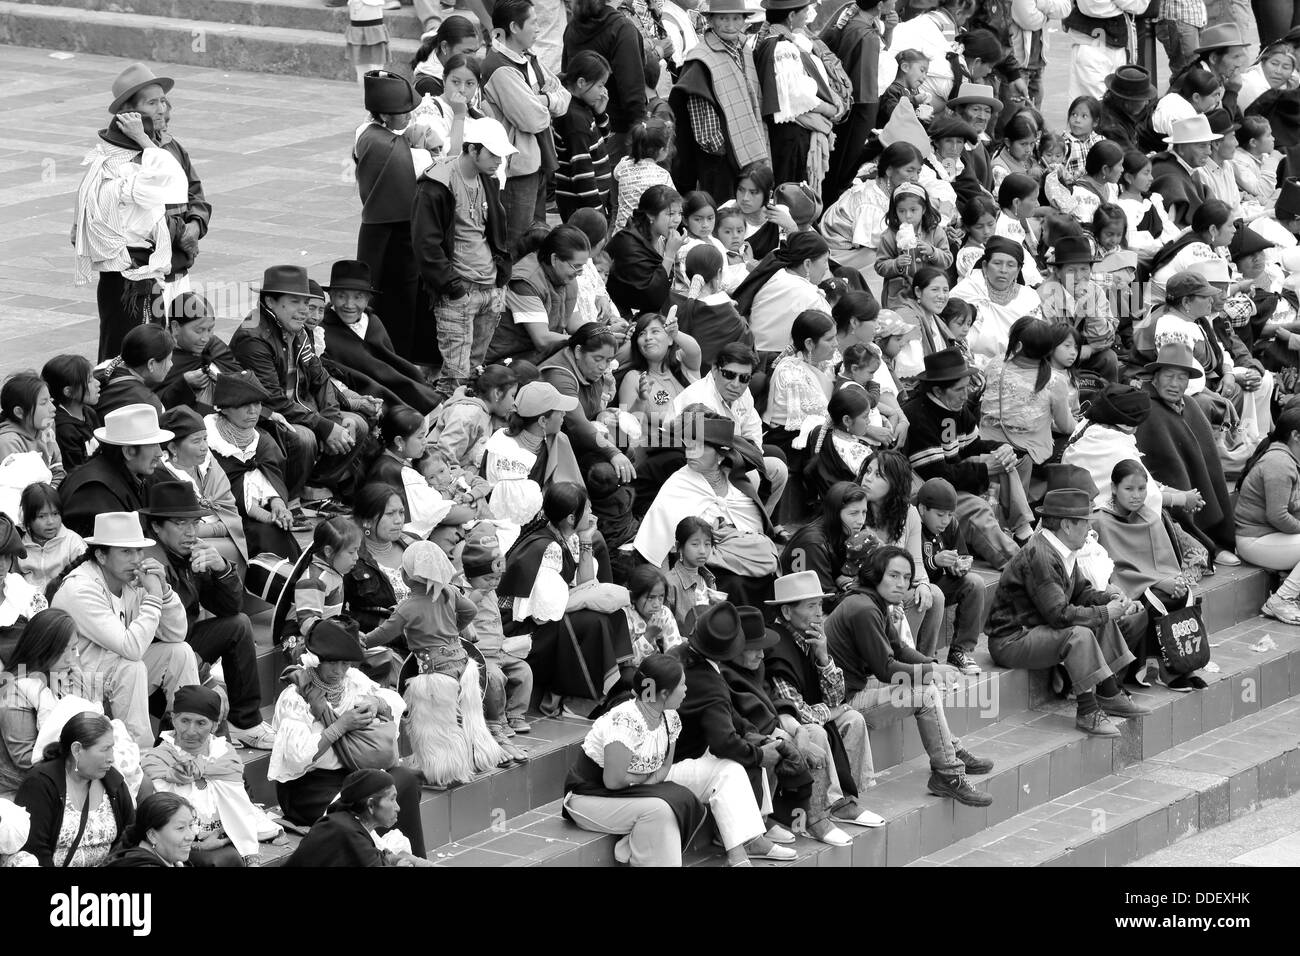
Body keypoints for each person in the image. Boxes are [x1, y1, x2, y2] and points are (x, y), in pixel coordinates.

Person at [824, 546, 994, 807]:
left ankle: (950, 750)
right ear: (875, 574)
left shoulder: (872, 601)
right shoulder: (864, 608)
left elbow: (900, 648)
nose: (901, 584)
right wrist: (931, 672)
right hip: (842, 704)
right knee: (924, 693)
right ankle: (948, 773)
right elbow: (886, 669)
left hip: (855, 684)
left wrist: (932, 665)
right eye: (893, 575)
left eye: (906, 577)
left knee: (925, 683)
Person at [987, 487, 1153, 736]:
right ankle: (1087, 711)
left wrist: (1111, 597)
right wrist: (1106, 611)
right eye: (1085, 523)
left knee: (1100, 617)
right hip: (1012, 639)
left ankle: (1110, 693)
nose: (1089, 529)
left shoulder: (1064, 550)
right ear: (1066, 525)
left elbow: (1082, 592)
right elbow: (1059, 615)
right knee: (1082, 632)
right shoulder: (1040, 555)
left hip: (1037, 630)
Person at [268, 618, 427, 856]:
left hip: (351, 773)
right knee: (369, 801)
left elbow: (394, 702)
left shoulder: (353, 680)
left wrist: (376, 703)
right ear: (317, 659)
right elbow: (297, 758)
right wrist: (341, 726)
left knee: (406, 778)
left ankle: (411, 857)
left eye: (345, 663)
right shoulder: (295, 698)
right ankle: (376, 858)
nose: (339, 671)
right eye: (332, 663)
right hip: (310, 787)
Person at [141, 482, 273, 751]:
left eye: (194, 523)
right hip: (153, 662)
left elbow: (231, 608)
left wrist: (222, 568)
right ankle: (172, 752)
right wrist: (207, 680)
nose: (191, 532)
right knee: (206, 693)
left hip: (187, 647)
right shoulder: (149, 561)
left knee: (239, 625)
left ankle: (246, 724)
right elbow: (165, 630)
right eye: (181, 524)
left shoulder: (189, 553)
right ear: (156, 526)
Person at [48, 512, 197, 750]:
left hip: (113, 676)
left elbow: (176, 634)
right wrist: (154, 597)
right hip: (74, 687)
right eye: (126, 552)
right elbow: (132, 648)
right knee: (131, 666)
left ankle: (184, 743)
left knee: (180, 652)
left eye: (139, 550)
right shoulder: (80, 588)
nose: (136, 559)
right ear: (101, 555)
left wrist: (165, 590)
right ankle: (141, 755)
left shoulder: (131, 579)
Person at [562, 653, 727, 867]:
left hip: (624, 792)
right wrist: (643, 783)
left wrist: (643, 785)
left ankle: (632, 845)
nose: (687, 690)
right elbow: (613, 781)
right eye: (683, 685)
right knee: (660, 810)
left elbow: (664, 767)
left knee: (681, 798)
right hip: (587, 797)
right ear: (665, 693)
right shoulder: (626, 722)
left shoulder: (670, 718)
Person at [75, 63, 192, 362]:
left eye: (163, 101)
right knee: (131, 355)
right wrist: (183, 231)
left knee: (162, 352)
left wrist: (195, 224)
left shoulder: (165, 146)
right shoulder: (116, 160)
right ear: (129, 112)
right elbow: (171, 185)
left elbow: (191, 190)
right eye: (152, 102)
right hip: (131, 277)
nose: (162, 109)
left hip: (161, 269)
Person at [669, 602, 802, 860]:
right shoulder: (706, 680)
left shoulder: (680, 652)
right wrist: (760, 754)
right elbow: (724, 743)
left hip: (680, 749)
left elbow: (731, 716)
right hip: (670, 764)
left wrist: (757, 738)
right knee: (740, 762)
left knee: (755, 744)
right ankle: (747, 838)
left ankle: (757, 829)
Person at [229, 265, 368, 503]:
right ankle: (288, 498)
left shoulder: (297, 330)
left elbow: (320, 377)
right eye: (295, 302)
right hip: (266, 416)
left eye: (306, 303)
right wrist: (323, 426)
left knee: (357, 425)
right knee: (304, 438)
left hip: (298, 408)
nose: (304, 311)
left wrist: (333, 419)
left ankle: (313, 486)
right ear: (270, 302)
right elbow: (272, 399)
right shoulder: (253, 336)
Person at [762, 570, 885, 830]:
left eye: (820, 604)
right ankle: (818, 810)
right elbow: (794, 711)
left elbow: (836, 697)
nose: (819, 612)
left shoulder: (812, 639)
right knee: (816, 729)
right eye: (810, 606)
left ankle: (846, 801)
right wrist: (829, 713)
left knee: (853, 717)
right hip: (784, 726)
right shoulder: (775, 645)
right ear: (786, 612)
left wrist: (823, 656)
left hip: (811, 714)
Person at [498, 482, 633, 711]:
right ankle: (576, 699)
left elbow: (585, 583)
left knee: (613, 613)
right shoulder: (546, 546)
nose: (592, 515)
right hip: (522, 628)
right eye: (588, 509)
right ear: (571, 518)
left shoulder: (566, 537)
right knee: (594, 620)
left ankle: (619, 682)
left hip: (545, 620)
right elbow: (547, 613)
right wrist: (586, 600)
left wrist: (587, 538)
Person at [412, 118, 515, 403]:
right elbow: (425, 244)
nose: (499, 161)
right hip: (459, 291)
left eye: (501, 155)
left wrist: (500, 279)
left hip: (490, 288)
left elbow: (496, 231)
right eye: (493, 154)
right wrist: (452, 287)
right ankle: (441, 430)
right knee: (454, 378)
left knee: (474, 373)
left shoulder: (490, 179)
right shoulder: (437, 183)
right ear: (472, 149)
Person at [902, 348, 1025, 569]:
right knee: (977, 507)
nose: (965, 394)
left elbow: (973, 446)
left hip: (951, 478)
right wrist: (984, 469)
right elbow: (937, 476)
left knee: (1004, 463)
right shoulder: (917, 415)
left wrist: (1002, 448)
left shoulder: (956, 407)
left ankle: (1024, 530)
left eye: (967, 387)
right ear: (938, 391)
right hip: (926, 493)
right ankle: (1016, 563)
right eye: (959, 389)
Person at [1097, 460, 1212, 686]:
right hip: (1126, 588)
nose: (1136, 495)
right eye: (1128, 489)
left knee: (1180, 595)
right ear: (1113, 488)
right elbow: (1114, 570)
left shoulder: (1149, 516)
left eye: (1142, 489)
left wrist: (1172, 580)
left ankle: (1181, 666)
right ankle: (1153, 670)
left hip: (1155, 581)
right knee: (1153, 600)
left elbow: (1163, 560)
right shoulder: (1100, 521)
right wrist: (1158, 583)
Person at [138, 685, 275, 867]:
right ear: (173, 719)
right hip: (174, 849)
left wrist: (225, 838)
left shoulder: (225, 757)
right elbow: (155, 826)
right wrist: (196, 846)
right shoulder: (157, 760)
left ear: (215, 725)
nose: (190, 731)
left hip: (223, 837)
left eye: (201, 723)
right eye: (184, 721)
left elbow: (239, 809)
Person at [1135, 341, 1241, 566]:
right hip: (1164, 497)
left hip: (1195, 493)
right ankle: (1202, 544)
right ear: (1155, 376)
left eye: (1182, 378)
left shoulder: (1191, 404)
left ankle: (1216, 540)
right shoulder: (1145, 408)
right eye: (1169, 376)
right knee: (1175, 473)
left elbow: (1208, 458)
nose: (1175, 384)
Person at [481, 0, 571, 248]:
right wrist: (546, 104)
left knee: (536, 238)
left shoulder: (529, 58)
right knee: (516, 243)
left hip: (538, 163)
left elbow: (565, 97)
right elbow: (534, 119)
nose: (538, 29)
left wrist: (542, 99)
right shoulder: (498, 67)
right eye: (533, 23)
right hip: (517, 170)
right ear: (514, 27)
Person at [669, 344, 790, 517]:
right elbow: (707, 454)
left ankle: (758, 527)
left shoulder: (743, 392)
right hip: (696, 466)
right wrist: (745, 456)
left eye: (744, 378)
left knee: (778, 469)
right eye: (729, 375)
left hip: (731, 458)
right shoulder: (700, 399)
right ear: (715, 370)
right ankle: (735, 531)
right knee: (752, 477)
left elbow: (753, 432)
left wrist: (748, 456)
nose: (736, 384)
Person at [669, 0, 771, 202]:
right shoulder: (701, 59)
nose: (730, 25)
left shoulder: (744, 50)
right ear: (711, 20)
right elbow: (700, 110)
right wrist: (719, 150)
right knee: (724, 213)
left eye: (735, 18)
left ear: (744, 21)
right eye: (723, 18)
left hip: (751, 145)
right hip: (720, 158)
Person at [354, 71, 422, 359]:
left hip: (381, 229)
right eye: (402, 112)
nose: (408, 117)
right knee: (391, 300)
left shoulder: (370, 134)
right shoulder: (386, 145)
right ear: (384, 114)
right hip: (392, 230)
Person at [318, 260, 440, 415]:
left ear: (368, 298)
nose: (349, 304)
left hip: (399, 390)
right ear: (331, 296)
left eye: (358, 297)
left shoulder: (373, 322)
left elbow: (392, 362)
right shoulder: (322, 331)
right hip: (365, 399)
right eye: (341, 296)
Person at [15, 712, 135, 866]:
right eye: (105, 749)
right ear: (77, 749)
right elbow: (34, 850)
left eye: (112, 748)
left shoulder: (112, 781)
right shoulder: (40, 784)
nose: (111, 757)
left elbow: (129, 838)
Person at [203, 372, 298, 560]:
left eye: (257, 404)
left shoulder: (263, 442)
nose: (253, 411)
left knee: (278, 533)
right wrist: (263, 515)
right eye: (244, 405)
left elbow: (271, 480)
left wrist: (278, 506)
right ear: (224, 408)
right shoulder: (207, 442)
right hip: (222, 517)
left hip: (259, 518)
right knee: (265, 534)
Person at [754, 0, 840, 191]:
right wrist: (830, 108)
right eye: (805, 10)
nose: (808, 13)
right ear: (791, 15)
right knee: (790, 191)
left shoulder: (776, 41)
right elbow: (797, 96)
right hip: (790, 134)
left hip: (788, 133)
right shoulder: (782, 47)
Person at [539, 323, 639, 482]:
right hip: (553, 449)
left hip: (580, 441)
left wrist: (604, 414)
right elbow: (577, 424)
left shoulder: (594, 369)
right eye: (598, 359)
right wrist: (613, 453)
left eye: (608, 361)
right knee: (604, 472)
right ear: (578, 351)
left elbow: (593, 409)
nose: (603, 367)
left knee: (626, 447)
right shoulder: (558, 376)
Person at [58, 404, 170, 539]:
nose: (159, 453)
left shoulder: (133, 475)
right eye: (153, 445)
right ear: (129, 452)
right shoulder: (94, 491)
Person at [0, 610, 80, 797]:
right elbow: (25, 758)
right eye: (62, 651)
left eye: (73, 648)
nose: (70, 658)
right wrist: (79, 756)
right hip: (20, 787)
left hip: (65, 773)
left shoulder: (66, 674)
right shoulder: (14, 691)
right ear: (41, 648)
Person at [158, 406, 247, 574]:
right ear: (173, 448)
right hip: (185, 545)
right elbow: (178, 530)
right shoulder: (162, 474)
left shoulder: (210, 464)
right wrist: (219, 528)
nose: (204, 447)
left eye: (205, 439)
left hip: (222, 534)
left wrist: (218, 527)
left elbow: (231, 514)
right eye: (196, 441)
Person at [284, 768, 435, 866]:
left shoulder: (353, 825)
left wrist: (397, 860)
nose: (398, 807)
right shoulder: (342, 830)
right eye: (391, 799)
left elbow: (380, 856)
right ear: (370, 806)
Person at [486, 224, 588, 366]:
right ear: (554, 259)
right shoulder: (524, 282)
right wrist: (586, 341)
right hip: (505, 361)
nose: (580, 272)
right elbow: (542, 340)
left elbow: (574, 324)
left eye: (582, 266)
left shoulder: (566, 278)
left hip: (538, 355)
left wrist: (603, 332)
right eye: (576, 266)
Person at [563, 0, 646, 171]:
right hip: (617, 133)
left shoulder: (572, 28)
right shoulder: (622, 29)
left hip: (579, 128)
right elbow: (633, 94)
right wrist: (641, 141)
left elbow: (567, 77)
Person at [1234, 408, 1300, 624]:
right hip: (1255, 541)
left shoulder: (1285, 457)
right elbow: (1278, 516)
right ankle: (1281, 599)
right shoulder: (1279, 463)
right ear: (1296, 436)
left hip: (1272, 538)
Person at [734, 231, 832, 357]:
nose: (827, 268)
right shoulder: (810, 296)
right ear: (807, 264)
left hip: (750, 355)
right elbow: (831, 334)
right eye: (825, 261)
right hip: (776, 365)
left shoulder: (774, 274)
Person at [950, 236, 1043, 365]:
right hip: (969, 365)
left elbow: (1034, 342)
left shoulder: (1029, 298)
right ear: (984, 266)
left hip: (1016, 367)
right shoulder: (965, 292)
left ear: (1018, 271)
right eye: (997, 263)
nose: (1003, 270)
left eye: (1011, 265)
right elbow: (951, 335)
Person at [156, 292, 243, 413]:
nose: (205, 338)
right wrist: (184, 384)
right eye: (199, 330)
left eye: (210, 329)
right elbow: (155, 406)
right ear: (176, 327)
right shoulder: (159, 356)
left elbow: (240, 379)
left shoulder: (213, 345)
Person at [605, 185, 682, 316]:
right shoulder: (628, 244)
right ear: (651, 216)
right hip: (618, 314)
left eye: (679, 213)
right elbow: (652, 297)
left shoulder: (659, 238)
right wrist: (670, 254)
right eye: (670, 214)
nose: (677, 219)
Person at [1149, 114, 1221, 228]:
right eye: (1202, 146)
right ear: (1181, 148)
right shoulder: (1168, 175)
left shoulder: (1189, 168)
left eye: (1209, 145)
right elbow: (1170, 227)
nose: (1209, 152)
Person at [0, 374, 64, 488]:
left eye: (51, 400)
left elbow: (58, 470)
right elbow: (18, 492)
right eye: (44, 403)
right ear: (20, 412)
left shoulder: (46, 430)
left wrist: (53, 493)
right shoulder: (9, 443)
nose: (53, 408)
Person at [97, 325, 173, 418]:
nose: (171, 364)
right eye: (169, 360)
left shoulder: (105, 367)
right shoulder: (149, 405)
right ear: (151, 364)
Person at [101, 791, 194, 867]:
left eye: (190, 825)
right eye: (180, 828)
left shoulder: (172, 859)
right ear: (152, 835)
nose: (191, 836)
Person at [42, 354, 102, 473]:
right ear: (69, 392)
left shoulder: (89, 412)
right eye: (90, 380)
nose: (97, 383)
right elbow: (75, 473)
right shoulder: (64, 429)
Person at [411, 15, 483, 96]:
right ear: (444, 47)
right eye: (467, 52)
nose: (474, 58)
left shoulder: (466, 71)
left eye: (475, 51)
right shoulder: (428, 85)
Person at [1098, 65, 1160, 150]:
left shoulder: (1115, 111)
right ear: (1127, 102)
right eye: (1143, 99)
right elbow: (1131, 159)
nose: (1147, 103)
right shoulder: (1112, 127)